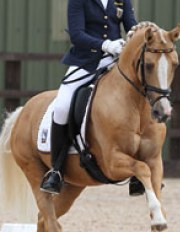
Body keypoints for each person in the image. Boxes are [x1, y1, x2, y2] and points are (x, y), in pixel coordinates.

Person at [40, 0, 138, 194]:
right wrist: (105, 44)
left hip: (115, 60)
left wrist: (140, 32)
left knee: (142, 95)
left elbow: (131, 28)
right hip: (86, 61)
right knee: (62, 107)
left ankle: (141, 167)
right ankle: (56, 170)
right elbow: (77, 35)